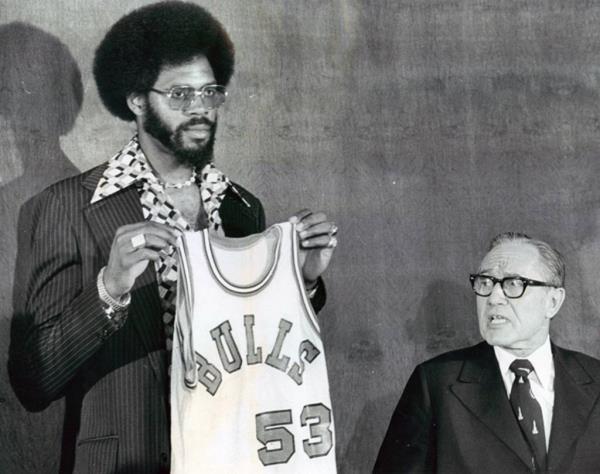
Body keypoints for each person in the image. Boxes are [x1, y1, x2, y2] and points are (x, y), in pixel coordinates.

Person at [8, 2, 337, 473]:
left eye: (209, 92)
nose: (200, 108)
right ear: (137, 100)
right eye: (180, 94)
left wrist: (300, 282)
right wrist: (110, 288)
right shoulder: (64, 208)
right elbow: (32, 382)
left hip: (235, 457)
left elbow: (257, 350)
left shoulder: (241, 207)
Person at [374, 232, 600, 474]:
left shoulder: (595, 379)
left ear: (553, 302)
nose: (493, 297)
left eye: (513, 284)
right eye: (485, 282)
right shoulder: (436, 384)